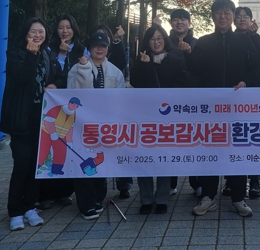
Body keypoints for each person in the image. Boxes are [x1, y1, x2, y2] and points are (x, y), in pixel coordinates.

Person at [183, 0, 259, 217]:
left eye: (227, 12)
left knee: (237, 151)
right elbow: (195, 70)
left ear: (233, 16)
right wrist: (188, 53)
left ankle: (238, 198)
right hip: (211, 109)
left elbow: (254, 68)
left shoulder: (244, 40)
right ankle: (208, 197)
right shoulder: (204, 42)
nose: (223, 16)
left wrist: (245, 82)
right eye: (218, 12)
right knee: (210, 150)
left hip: (238, 107)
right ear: (213, 16)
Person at [0, 17, 55, 231]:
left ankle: (30, 206)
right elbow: (22, 76)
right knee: (21, 165)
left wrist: (54, 84)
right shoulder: (15, 54)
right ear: (25, 34)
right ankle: (15, 211)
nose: (37, 35)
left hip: (42, 119)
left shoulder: (46, 55)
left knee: (36, 165)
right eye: (33, 31)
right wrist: (32, 56)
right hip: (21, 119)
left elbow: (53, 77)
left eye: (41, 31)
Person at [68, 31, 126, 220]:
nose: (99, 49)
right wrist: (84, 69)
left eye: (103, 46)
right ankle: (86, 203)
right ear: (89, 48)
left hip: (105, 125)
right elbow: (74, 93)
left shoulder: (115, 72)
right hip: (82, 125)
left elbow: (120, 99)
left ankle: (98, 198)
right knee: (83, 162)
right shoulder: (77, 68)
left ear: (108, 49)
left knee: (100, 161)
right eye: (95, 46)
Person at [131, 25, 185, 214]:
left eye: (159, 38)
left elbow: (181, 86)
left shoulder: (175, 60)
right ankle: (146, 199)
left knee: (164, 157)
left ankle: (162, 198)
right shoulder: (140, 60)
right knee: (144, 158)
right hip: (145, 117)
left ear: (165, 39)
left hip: (168, 117)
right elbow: (136, 83)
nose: (156, 42)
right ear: (147, 42)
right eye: (152, 39)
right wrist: (145, 65)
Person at [38, 15, 84, 210]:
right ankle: (45, 194)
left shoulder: (82, 50)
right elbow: (50, 74)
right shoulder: (49, 49)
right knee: (47, 151)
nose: (65, 31)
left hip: (73, 106)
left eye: (68, 27)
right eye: (60, 27)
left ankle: (65, 192)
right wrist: (62, 55)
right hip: (52, 105)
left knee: (66, 151)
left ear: (74, 29)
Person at [225, 6, 260, 199]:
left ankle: (255, 180)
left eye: (246, 17)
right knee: (232, 138)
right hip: (231, 94)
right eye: (239, 16)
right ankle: (230, 180)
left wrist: (254, 36)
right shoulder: (228, 39)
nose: (242, 19)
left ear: (251, 20)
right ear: (234, 20)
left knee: (253, 139)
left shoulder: (257, 39)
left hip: (252, 94)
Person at [89, 24, 132, 198]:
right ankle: (97, 191)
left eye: (104, 38)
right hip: (90, 118)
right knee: (96, 153)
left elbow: (122, 61)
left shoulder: (114, 65)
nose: (100, 46)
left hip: (112, 117)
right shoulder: (81, 66)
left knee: (119, 150)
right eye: (96, 39)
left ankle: (124, 185)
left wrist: (117, 41)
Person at [166, 8, 200, 196]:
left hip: (193, 100)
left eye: (183, 19)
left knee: (194, 141)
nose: (179, 22)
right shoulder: (164, 42)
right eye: (175, 19)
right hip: (170, 101)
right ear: (171, 23)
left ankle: (196, 182)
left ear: (189, 22)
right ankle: (170, 183)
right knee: (171, 142)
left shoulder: (198, 43)